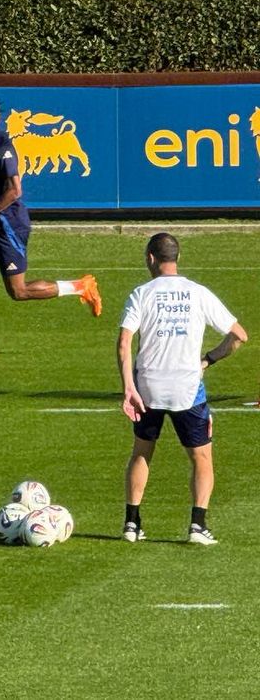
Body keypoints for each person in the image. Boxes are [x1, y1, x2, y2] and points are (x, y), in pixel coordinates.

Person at [0, 94, 102, 360]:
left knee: (18, 292)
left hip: (8, 226)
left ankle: (79, 286)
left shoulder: (2, 146)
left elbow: (14, 190)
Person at [117, 233, 247, 545]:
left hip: (147, 385)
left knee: (142, 452)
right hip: (187, 387)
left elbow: (124, 343)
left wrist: (128, 388)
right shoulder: (198, 293)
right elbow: (238, 336)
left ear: (150, 258)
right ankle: (197, 526)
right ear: (177, 258)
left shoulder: (141, 293)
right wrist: (207, 360)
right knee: (201, 457)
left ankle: (132, 524)